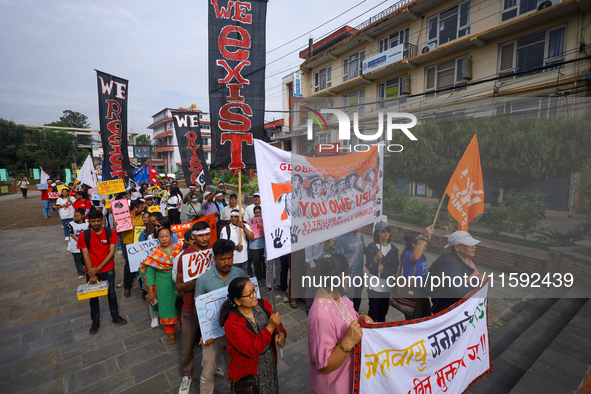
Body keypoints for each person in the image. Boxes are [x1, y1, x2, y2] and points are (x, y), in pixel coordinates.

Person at [307, 254, 373, 394]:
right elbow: (324, 366)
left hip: (349, 375)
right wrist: (348, 342)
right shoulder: (321, 316)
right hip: (334, 385)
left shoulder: (339, 296)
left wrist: (359, 318)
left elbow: (347, 316)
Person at [194, 239, 247, 394]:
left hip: (235, 334)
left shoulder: (240, 274)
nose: (226, 262)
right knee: (208, 372)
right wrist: (205, 332)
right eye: (222, 259)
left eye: (229, 258)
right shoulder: (203, 280)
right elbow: (199, 308)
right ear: (214, 258)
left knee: (232, 371)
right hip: (213, 337)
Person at [221, 278, 286, 394]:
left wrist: (281, 334)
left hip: (269, 363)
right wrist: (269, 328)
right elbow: (250, 349)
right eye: (249, 294)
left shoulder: (263, 305)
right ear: (238, 301)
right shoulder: (232, 323)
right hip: (250, 371)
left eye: (254, 290)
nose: (254, 295)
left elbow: (278, 326)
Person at [77, 209, 128, 335]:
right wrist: (92, 273)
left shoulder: (110, 232)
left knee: (111, 294)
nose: (96, 223)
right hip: (91, 271)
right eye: (93, 221)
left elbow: (111, 253)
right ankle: (95, 321)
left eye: (98, 220)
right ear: (88, 221)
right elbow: (85, 256)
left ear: (103, 220)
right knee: (93, 297)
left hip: (108, 269)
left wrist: (97, 269)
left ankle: (115, 316)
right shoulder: (84, 235)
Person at [176, 222, 212, 394]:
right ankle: (187, 375)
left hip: (212, 306)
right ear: (193, 237)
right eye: (200, 235)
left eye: (207, 234)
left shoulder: (214, 250)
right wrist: (195, 284)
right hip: (190, 307)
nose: (205, 239)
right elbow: (179, 287)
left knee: (213, 341)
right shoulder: (185, 256)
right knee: (187, 344)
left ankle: (213, 366)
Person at [141, 227, 182, 344]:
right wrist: (150, 291)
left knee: (183, 307)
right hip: (163, 286)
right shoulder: (154, 254)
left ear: (171, 236)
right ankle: (170, 333)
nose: (164, 239)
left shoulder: (179, 249)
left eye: (167, 236)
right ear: (157, 238)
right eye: (161, 236)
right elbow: (150, 274)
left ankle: (185, 329)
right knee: (166, 309)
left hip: (179, 282)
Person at [426, 231, 482, 315]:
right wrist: (477, 280)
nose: (474, 247)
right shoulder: (449, 265)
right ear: (457, 247)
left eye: (473, 244)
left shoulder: (469, 258)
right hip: (449, 309)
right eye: (469, 245)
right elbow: (458, 292)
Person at [365, 221, 399, 323]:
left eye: (388, 231)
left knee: (383, 312)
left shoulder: (393, 250)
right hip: (374, 286)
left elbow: (395, 269)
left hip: (387, 286)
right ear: (377, 233)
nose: (386, 233)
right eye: (383, 231)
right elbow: (369, 266)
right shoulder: (372, 247)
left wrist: (384, 270)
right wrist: (375, 259)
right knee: (373, 312)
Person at [400, 226, 435, 320]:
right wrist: (425, 236)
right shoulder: (408, 256)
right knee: (414, 324)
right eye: (421, 242)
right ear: (414, 245)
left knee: (426, 320)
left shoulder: (421, 257)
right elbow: (414, 257)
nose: (425, 243)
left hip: (422, 295)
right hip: (413, 296)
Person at [114, 199, 145, 297]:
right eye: (141, 207)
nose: (143, 208)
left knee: (143, 265)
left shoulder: (143, 216)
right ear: (135, 208)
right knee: (128, 266)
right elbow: (118, 234)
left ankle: (143, 288)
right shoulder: (124, 217)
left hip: (141, 245)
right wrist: (117, 226)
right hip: (128, 245)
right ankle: (127, 286)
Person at [335, 228, 365, 312]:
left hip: (359, 274)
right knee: (348, 300)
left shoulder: (360, 235)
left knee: (357, 297)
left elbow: (363, 250)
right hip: (348, 277)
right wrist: (343, 277)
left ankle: (356, 316)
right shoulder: (341, 239)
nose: (361, 226)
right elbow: (338, 259)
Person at [220, 210, 254, 275]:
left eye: (236, 216)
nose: (233, 218)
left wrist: (243, 227)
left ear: (240, 217)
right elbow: (223, 245)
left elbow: (251, 237)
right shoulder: (226, 229)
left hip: (244, 260)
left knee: (243, 279)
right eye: (232, 217)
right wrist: (235, 247)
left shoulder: (246, 226)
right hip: (232, 261)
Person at [67, 208, 89, 279]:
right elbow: (71, 233)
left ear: (82, 215)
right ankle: (80, 272)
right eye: (75, 216)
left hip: (86, 244)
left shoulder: (88, 223)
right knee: (77, 259)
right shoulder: (71, 224)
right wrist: (80, 240)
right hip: (76, 245)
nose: (75, 217)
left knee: (86, 258)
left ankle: (88, 270)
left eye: (77, 216)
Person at [305, 242, 325, 314]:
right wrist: (311, 262)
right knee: (311, 286)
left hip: (323, 260)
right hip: (314, 261)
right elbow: (308, 246)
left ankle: (318, 306)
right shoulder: (312, 231)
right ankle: (309, 308)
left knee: (321, 285)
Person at [248, 206, 266, 282]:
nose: (257, 214)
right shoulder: (250, 222)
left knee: (264, 262)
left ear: (261, 212)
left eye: (259, 212)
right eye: (256, 212)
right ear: (253, 213)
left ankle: (265, 277)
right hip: (253, 246)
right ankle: (259, 277)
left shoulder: (265, 220)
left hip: (264, 245)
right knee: (256, 263)